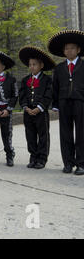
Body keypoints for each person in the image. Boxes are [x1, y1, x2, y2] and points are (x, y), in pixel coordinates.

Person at [49, 30, 84, 175]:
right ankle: (68, 163)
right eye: (66, 48)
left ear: (78, 50)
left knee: (81, 133)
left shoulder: (83, 65)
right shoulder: (59, 68)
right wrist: (55, 104)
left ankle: (81, 164)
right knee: (65, 133)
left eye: (72, 48)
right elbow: (55, 87)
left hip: (80, 102)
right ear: (63, 51)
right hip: (64, 102)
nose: (69, 51)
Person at [18, 46, 55, 170]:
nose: (32, 67)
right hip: (28, 112)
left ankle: (42, 158)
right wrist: (25, 107)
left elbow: (48, 95)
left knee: (43, 135)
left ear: (41, 65)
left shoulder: (47, 80)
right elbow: (22, 95)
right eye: (30, 64)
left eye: (34, 64)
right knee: (30, 135)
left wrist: (40, 107)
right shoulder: (25, 80)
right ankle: (33, 156)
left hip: (41, 112)